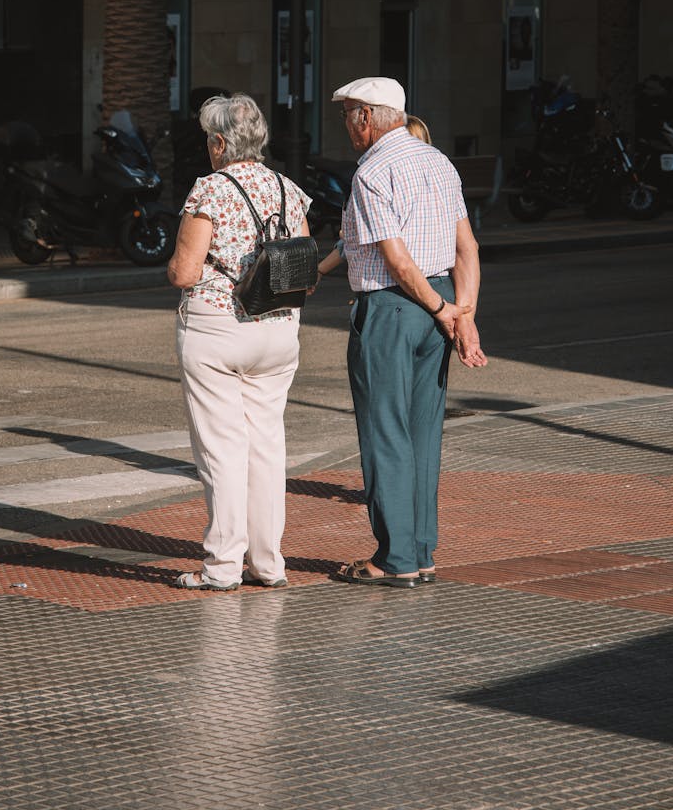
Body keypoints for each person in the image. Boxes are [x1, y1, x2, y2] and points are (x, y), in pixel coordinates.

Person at [331, 76, 487, 589]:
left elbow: (396, 261)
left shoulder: (373, 170)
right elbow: (468, 249)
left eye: (349, 114)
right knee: (423, 432)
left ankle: (394, 559)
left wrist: (444, 307)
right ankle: (420, 553)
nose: (347, 124)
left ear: (366, 117)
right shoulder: (436, 160)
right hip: (436, 303)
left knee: (386, 431)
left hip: (396, 307)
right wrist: (462, 314)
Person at [167, 93, 311, 591]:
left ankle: (223, 567)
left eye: (210, 139)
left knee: (222, 451)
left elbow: (185, 272)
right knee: (267, 447)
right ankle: (269, 564)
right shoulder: (289, 190)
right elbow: (305, 271)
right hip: (278, 330)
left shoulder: (210, 190)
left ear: (222, 143)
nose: (208, 147)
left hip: (218, 331)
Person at [316, 113, 433, 281]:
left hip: (394, 282)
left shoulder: (377, 179)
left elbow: (354, 241)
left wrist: (351, 235)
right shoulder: (433, 177)